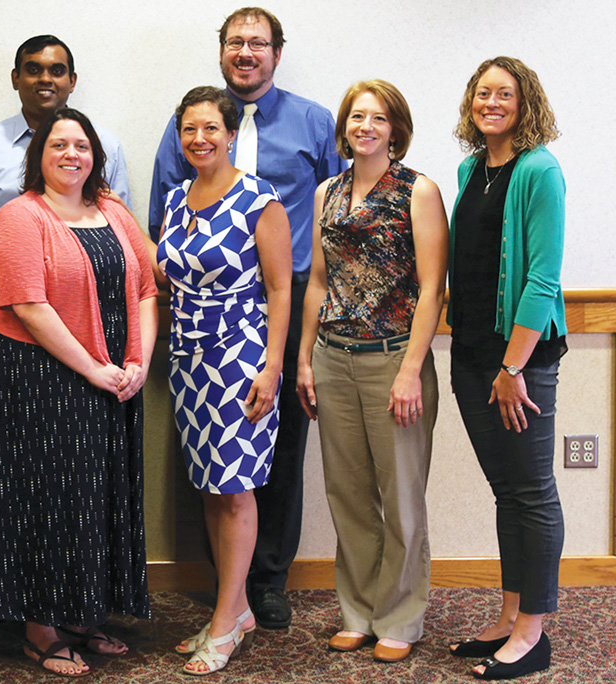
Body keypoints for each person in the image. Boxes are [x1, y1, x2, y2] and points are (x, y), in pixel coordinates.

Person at [149, 7, 346, 629]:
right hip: (206, 304)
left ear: (277, 54)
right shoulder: (190, 124)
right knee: (210, 452)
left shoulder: (314, 121)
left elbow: (341, 211)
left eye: (258, 44)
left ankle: (267, 582)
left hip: (287, 297)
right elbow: (163, 208)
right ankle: (224, 586)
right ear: (221, 52)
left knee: (281, 443)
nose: (246, 53)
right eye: (235, 42)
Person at [0, 107, 156, 677]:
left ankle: (81, 615)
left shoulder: (115, 211)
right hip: (38, 379)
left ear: (95, 154)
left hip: (114, 379)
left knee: (93, 501)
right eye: (58, 146)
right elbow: (28, 305)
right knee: (46, 501)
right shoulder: (20, 217)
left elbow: (144, 287)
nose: (71, 154)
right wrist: (94, 368)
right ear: (38, 157)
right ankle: (40, 629)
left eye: (81, 145)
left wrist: (137, 358)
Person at [295, 80, 449, 664]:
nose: (365, 126)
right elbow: (316, 283)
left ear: (395, 129)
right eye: (356, 117)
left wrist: (411, 369)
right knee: (349, 495)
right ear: (344, 128)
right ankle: (357, 612)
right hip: (334, 358)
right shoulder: (327, 193)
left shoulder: (418, 191)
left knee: (401, 497)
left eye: (377, 118)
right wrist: (305, 359)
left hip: (394, 359)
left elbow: (433, 288)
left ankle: (400, 618)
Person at [158, 86, 293, 675]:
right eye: (189, 129)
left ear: (231, 133)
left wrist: (272, 368)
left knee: (235, 489)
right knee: (211, 489)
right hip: (187, 361)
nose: (199, 138)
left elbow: (282, 289)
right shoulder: (173, 199)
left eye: (211, 127)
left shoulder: (258, 199)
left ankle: (225, 622)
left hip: (240, 357)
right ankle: (234, 610)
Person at [446, 57, 565, 681]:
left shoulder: (540, 170)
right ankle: (508, 614)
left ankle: (533, 633)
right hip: (470, 353)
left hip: (518, 359)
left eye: (505, 93)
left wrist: (513, 364)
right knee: (507, 491)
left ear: (526, 101)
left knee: (533, 492)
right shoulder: (471, 170)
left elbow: (543, 276)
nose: (492, 101)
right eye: (483, 92)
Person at [0, 34, 131, 225]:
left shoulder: (106, 145)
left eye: (57, 71)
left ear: (72, 81)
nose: (45, 79)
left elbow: (122, 223)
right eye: (34, 70)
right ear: (16, 79)